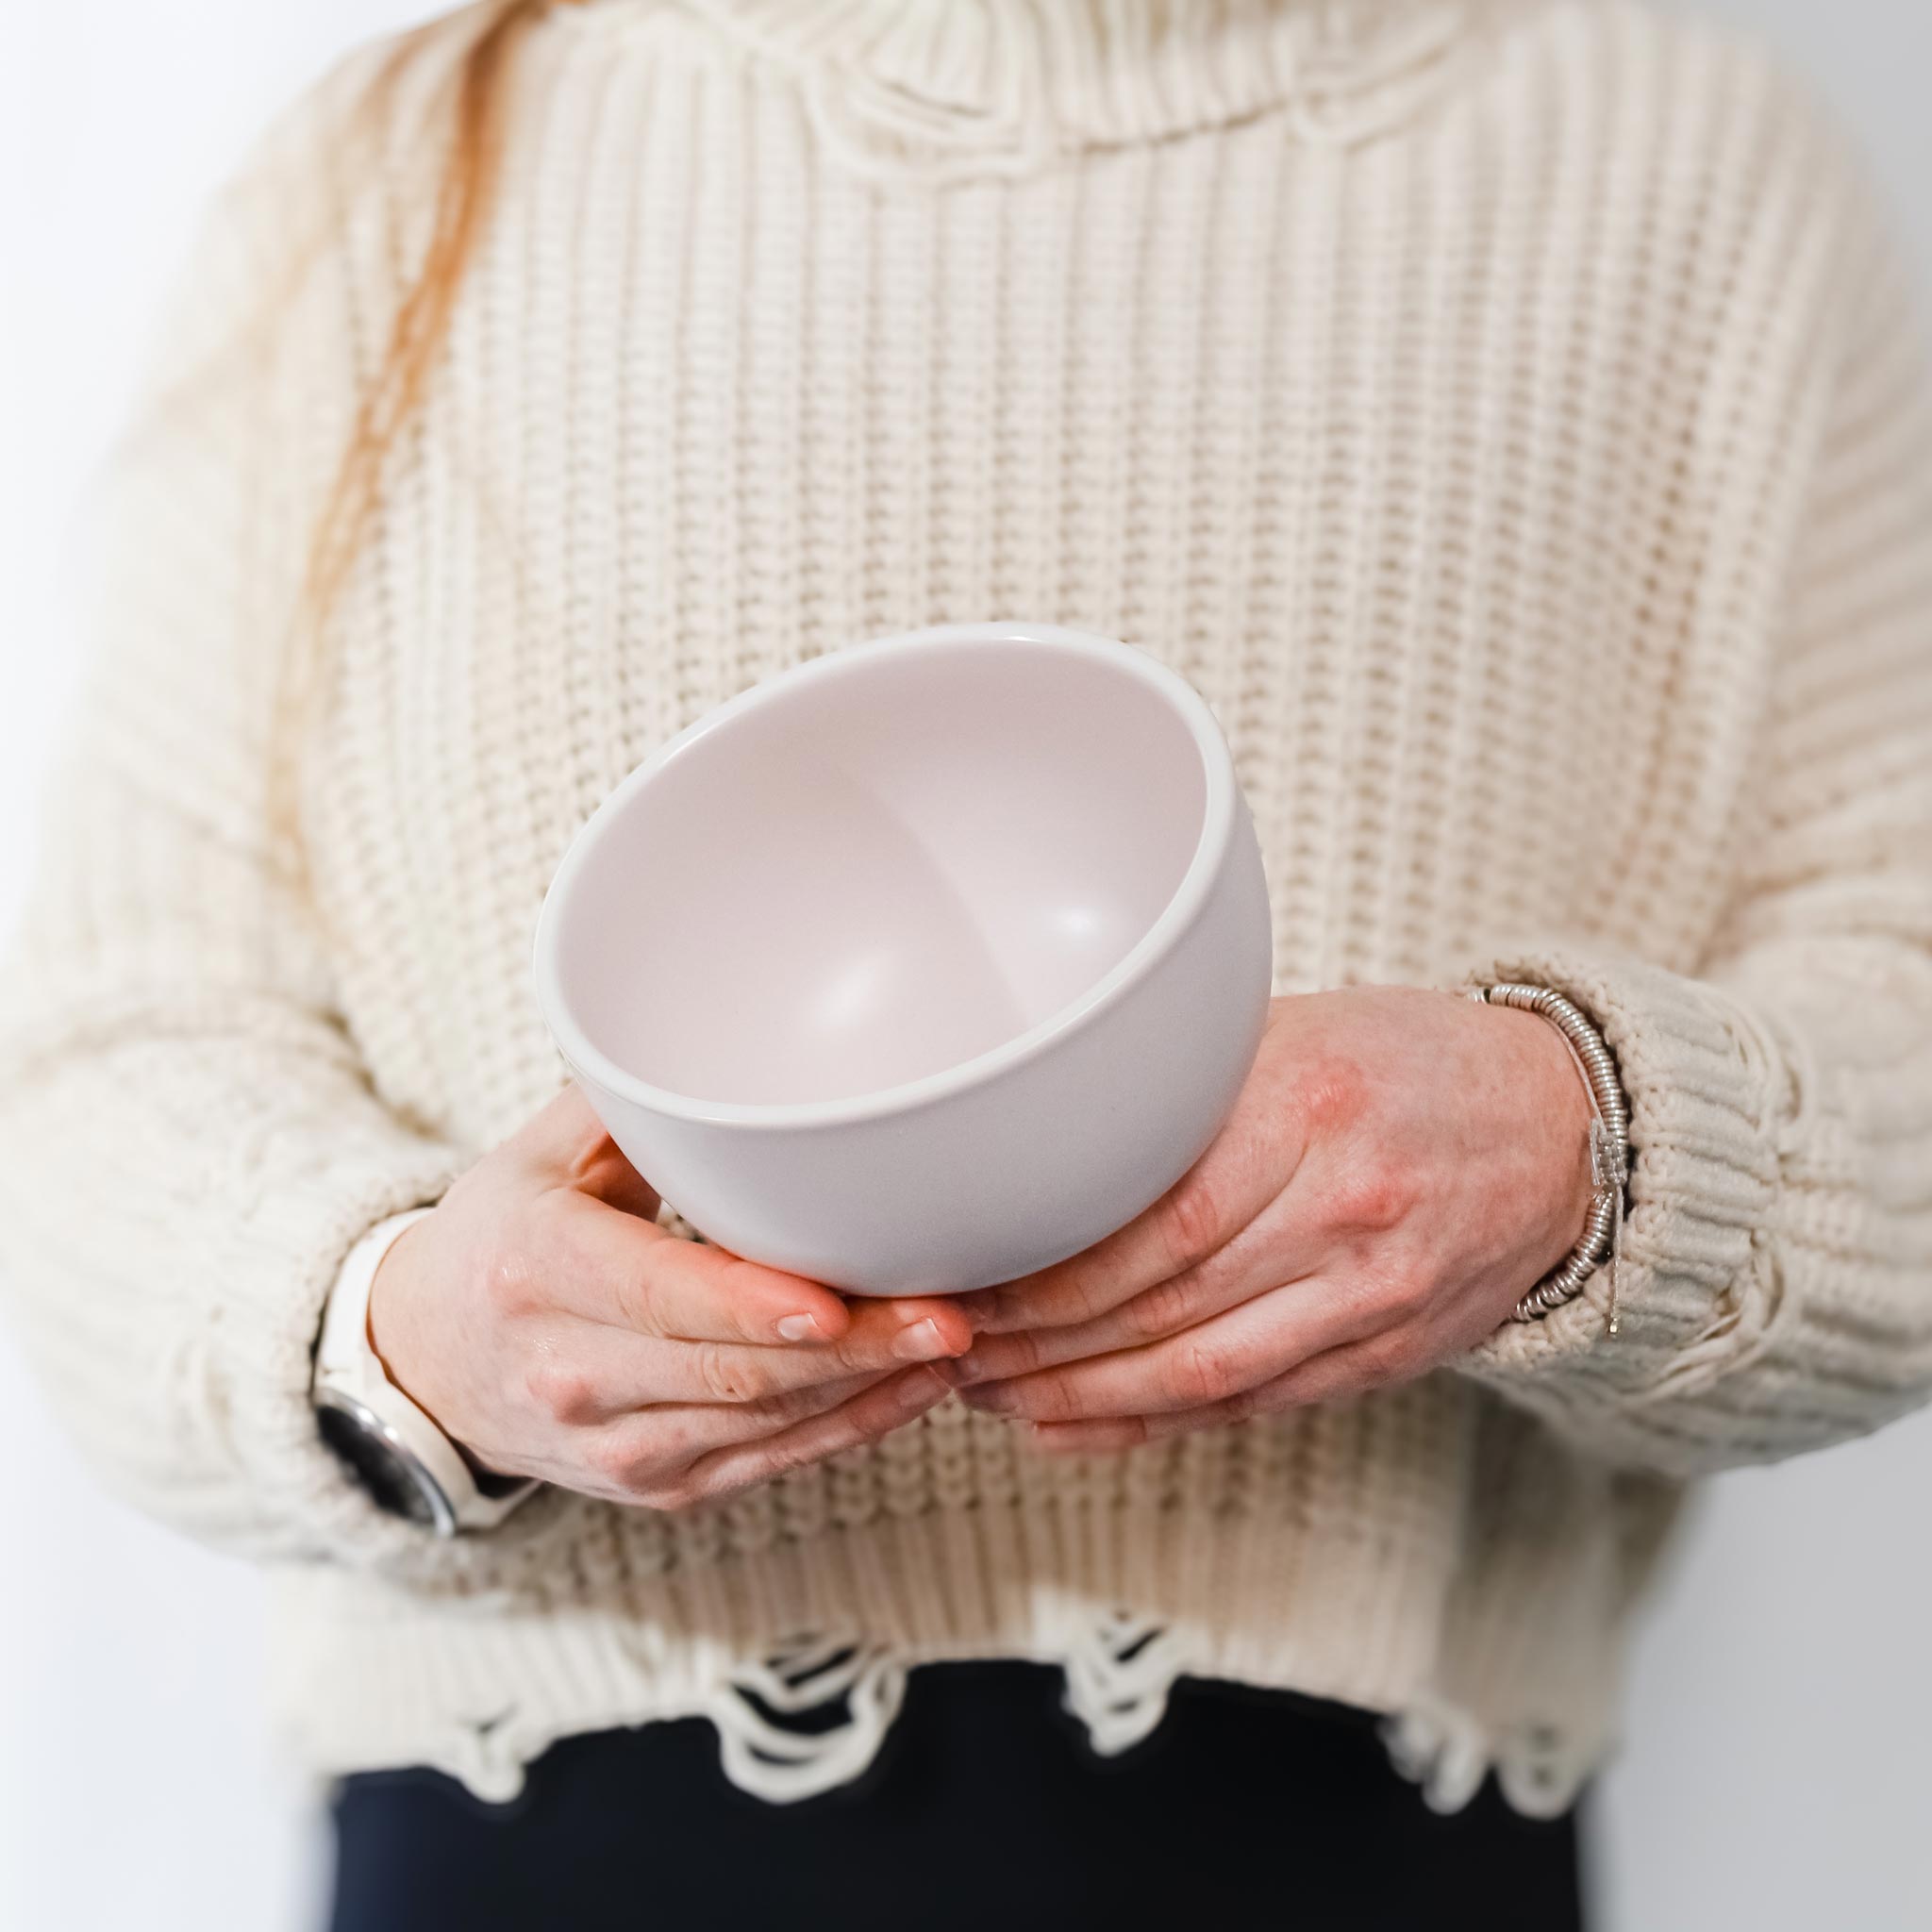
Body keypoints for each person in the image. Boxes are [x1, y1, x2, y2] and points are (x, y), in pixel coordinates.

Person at [4, 1, 1929, 1925]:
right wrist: (410, 1331)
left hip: (1352, 1846)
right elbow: (106, 1057)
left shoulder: (1692, 180)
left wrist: (1575, 1146)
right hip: (538, 1842)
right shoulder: (387, 175)